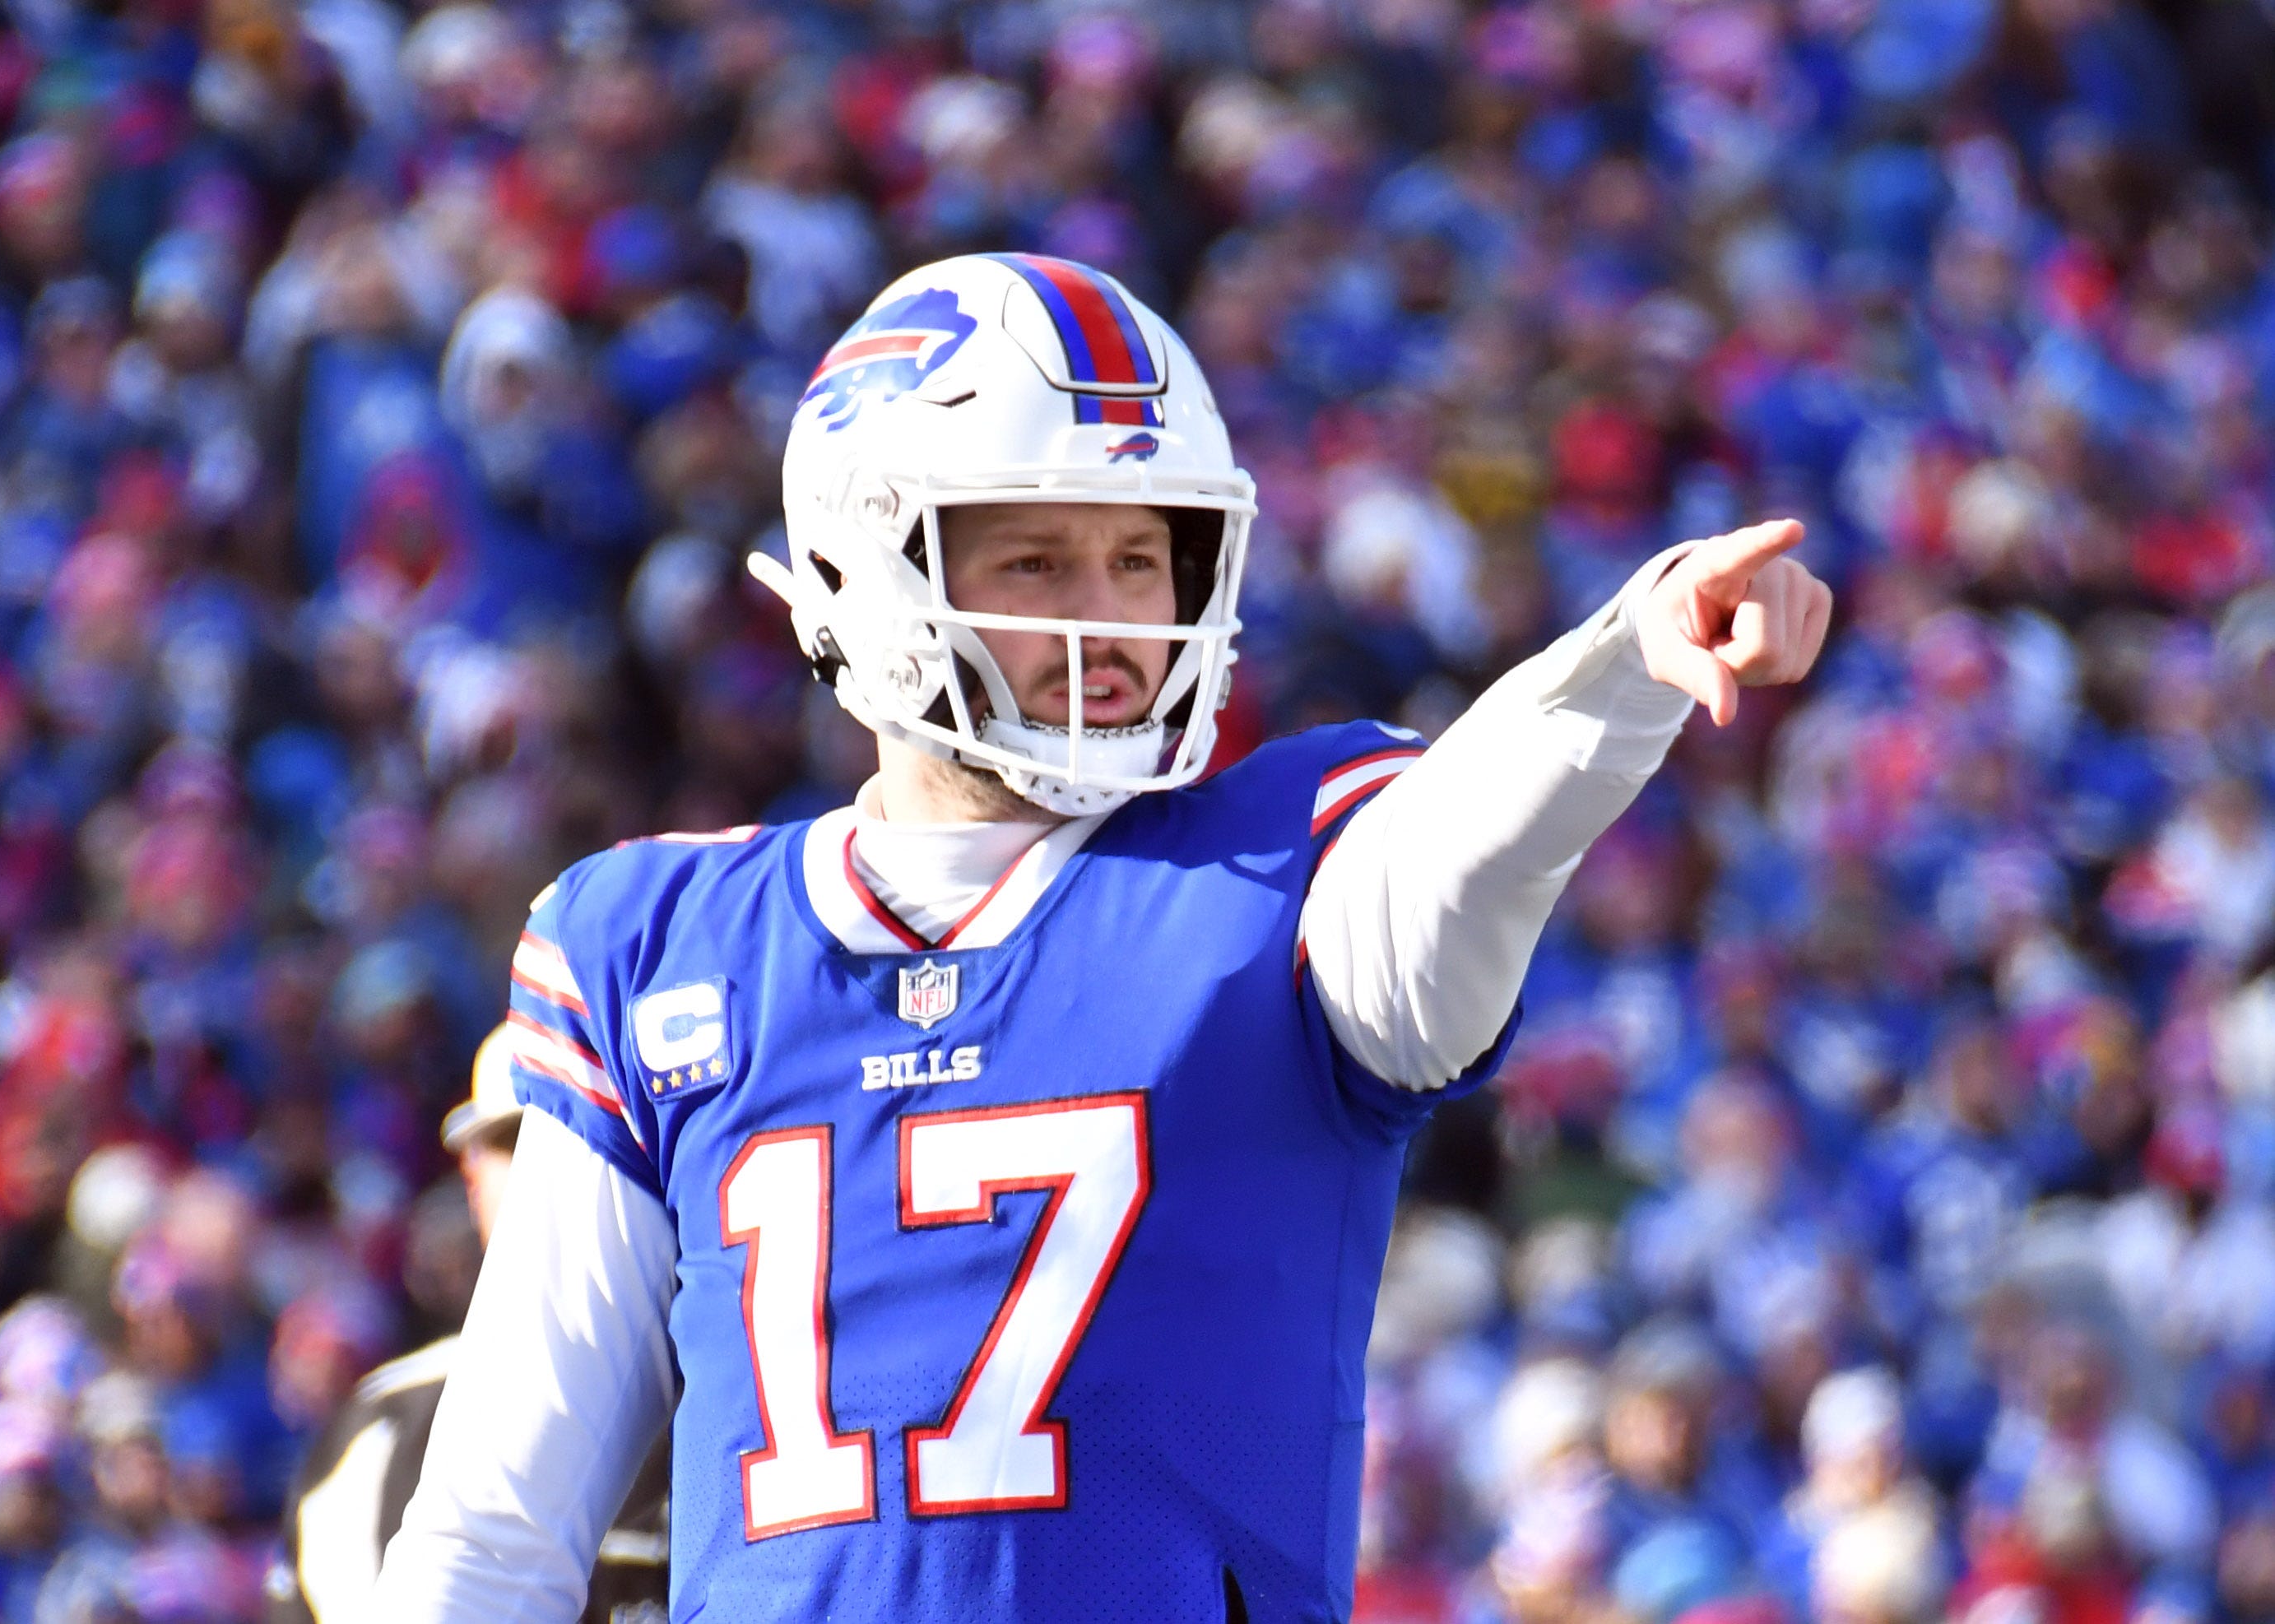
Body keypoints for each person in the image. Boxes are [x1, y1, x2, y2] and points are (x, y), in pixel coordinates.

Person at [374, 252, 1833, 1622]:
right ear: (862, 571)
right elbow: (499, 1525)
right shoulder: (658, 943)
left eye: (1143, 558)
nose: (1115, 619)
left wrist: (1628, 662)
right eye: (1037, 562)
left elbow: (1471, 841)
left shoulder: (1282, 872)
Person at [271, 1023, 670, 1622]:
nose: (562, 1176)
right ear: (472, 1179)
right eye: (519, 1143)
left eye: (589, 1143)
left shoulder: (766, 1380)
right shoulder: (390, 1423)